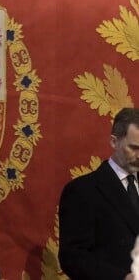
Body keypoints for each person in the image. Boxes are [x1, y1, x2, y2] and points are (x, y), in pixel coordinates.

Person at [58, 108, 139, 280]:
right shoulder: (83, 191)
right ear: (113, 142)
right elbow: (72, 257)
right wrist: (122, 278)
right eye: (134, 148)